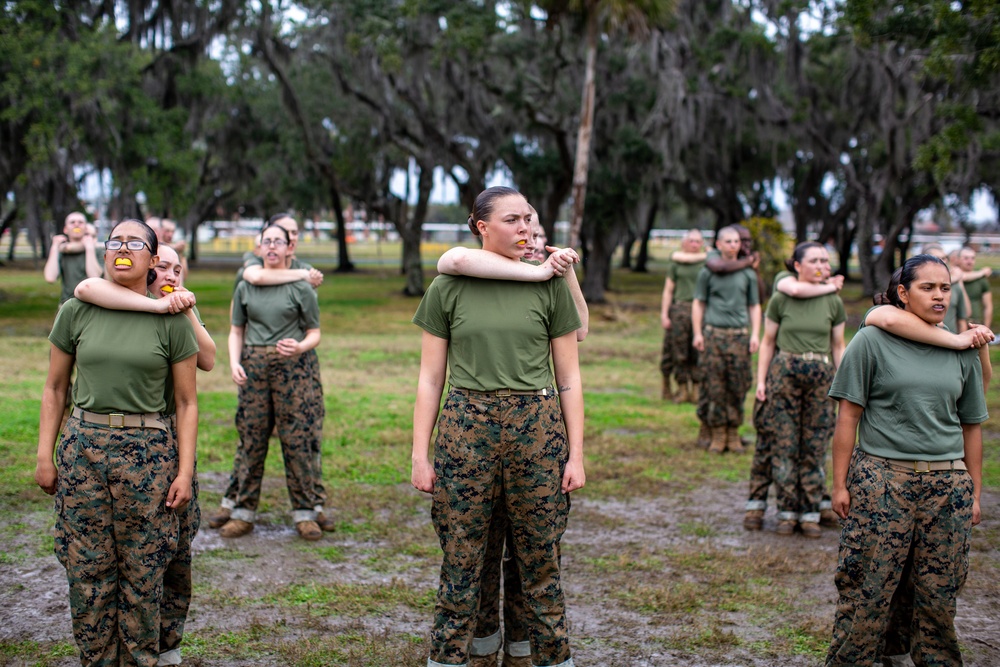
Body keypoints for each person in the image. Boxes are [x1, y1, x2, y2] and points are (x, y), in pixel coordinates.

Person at [412, 186, 585, 667]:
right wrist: (419, 454)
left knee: (539, 556)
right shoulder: (448, 285)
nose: (526, 228)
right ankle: (455, 655)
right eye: (513, 219)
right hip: (467, 428)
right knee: (464, 554)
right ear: (481, 226)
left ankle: (547, 655)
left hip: (537, 427)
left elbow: (569, 378)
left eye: (529, 218)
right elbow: (430, 379)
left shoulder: (548, 283)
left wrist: (576, 454)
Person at [35, 219, 199, 667]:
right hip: (82, 450)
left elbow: (186, 403)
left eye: (135, 243)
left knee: (143, 571)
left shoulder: (172, 318)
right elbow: (54, 389)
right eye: (115, 242)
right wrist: (44, 456)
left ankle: (141, 659)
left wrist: (183, 472)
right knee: (88, 568)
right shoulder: (76, 310)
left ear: (151, 260)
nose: (122, 249)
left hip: (148, 454)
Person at [826, 254, 988, 666]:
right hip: (883, 480)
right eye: (927, 288)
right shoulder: (872, 340)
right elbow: (849, 415)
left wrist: (973, 492)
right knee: (868, 589)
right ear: (903, 292)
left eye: (945, 288)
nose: (939, 296)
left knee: (938, 594)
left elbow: (972, 425)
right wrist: (840, 483)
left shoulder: (962, 346)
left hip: (947, 487)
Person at [74, 244, 216, 667]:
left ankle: (166, 646)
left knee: (173, 549)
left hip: (167, 440)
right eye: (164, 266)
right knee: (120, 556)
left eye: (178, 268)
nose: (171, 273)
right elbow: (86, 287)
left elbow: (208, 359)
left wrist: (184, 306)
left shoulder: (176, 311)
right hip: (125, 439)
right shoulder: (112, 296)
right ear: (149, 266)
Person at [208, 214, 332, 532]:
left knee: (297, 439)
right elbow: (236, 330)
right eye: (267, 241)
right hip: (254, 367)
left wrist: (301, 347)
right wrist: (235, 362)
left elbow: (315, 332)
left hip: (291, 368)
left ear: (289, 246)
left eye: (278, 241)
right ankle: (243, 513)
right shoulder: (246, 285)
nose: (272, 246)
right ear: (259, 247)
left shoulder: (302, 286)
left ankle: (305, 512)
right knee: (252, 439)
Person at [749, 242, 846, 537]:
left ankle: (811, 512)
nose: (821, 265)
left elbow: (838, 345)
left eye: (824, 260)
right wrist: (762, 380)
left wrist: (844, 386)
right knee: (785, 443)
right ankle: (787, 512)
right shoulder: (781, 297)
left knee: (814, 444)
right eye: (814, 260)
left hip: (820, 374)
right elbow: (767, 342)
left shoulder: (833, 302)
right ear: (797, 265)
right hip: (785, 373)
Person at [691, 226, 761, 453]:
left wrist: (754, 334)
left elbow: (754, 305)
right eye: (728, 241)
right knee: (714, 385)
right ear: (718, 244)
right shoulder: (707, 272)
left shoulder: (747, 274)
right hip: (714, 335)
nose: (733, 245)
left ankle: (733, 432)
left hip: (739, 337)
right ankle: (718, 432)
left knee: (738, 385)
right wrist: (698, 332)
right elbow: (699, 303)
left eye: (736, 242)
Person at [659, 230, 706, 403]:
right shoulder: (676, 262)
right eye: (691, 241)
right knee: (679, 350)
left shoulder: (707, 262)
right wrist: (665, 314)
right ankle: (682, 388)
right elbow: (668, 290)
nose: (694, 244)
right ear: (684, 242)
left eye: (698, 241)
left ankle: (696, 389)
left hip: (701, 310)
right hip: (680, 309)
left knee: (698, 350)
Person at [43, 211, 104, 304]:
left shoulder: (97, 250)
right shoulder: (61, 251)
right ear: (65, 229)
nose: (76, 224)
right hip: (66, 304)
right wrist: (55, 247)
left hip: (91, 305)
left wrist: (89, 249)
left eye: (80, 222)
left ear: (85, 228)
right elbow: (50, 278)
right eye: (72, 222)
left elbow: (95, 277)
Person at [957, 246, 992, 327]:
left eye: (972, 258)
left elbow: (988, 306)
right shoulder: (953, 277)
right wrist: (983, 272)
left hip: (976, 322)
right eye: (966, 258)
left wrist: (986, 327)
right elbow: (961, 276)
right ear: (958, 260)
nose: (970, 261)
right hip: (957, 323)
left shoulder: (982, 280)